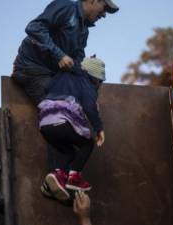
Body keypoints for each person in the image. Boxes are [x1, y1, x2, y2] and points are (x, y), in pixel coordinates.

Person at [12, 0, 119, 105]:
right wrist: (60, 55)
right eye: (104, 8)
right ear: (93, 1)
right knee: (62, 110)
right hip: (31, 69)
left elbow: (78, 60)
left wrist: (90, 74)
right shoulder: (66, 8)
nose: (104, 15)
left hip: (51, 74)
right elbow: (34, 28)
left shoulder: (84, 31)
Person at [39, 57, 106, 202]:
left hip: (45, 123)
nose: (99, 85)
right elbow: (89, 106)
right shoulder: (86, 82)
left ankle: (55, 179)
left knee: (68, 151)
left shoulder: (63, 75)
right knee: (87, 144)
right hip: (62, 122)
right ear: (94, 79)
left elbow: (46, 87)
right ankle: (74, 178)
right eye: (99, 82)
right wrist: (99, 128)